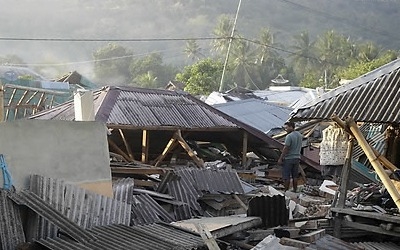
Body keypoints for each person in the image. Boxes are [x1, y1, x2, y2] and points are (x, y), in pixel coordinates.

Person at [278, 121, 303, 192]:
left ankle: (286, 191)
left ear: (291, 127)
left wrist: (280, 158)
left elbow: (286, 148)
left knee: (286, 176)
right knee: (295, 176)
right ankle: (295, 190)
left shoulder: (289, 136)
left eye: (286, 128)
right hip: (297, 158)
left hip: (289, 158)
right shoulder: (299, 135)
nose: (285, 129)